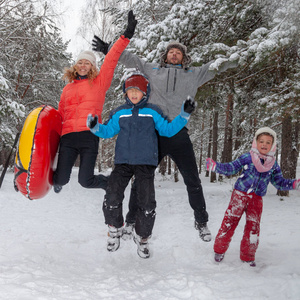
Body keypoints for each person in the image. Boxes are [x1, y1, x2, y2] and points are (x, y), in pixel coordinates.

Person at [92, 33, 239, 242]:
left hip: (179, 134)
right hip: (154, 136)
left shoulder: (193, 74)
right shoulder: (154, 70)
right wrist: (109, 49)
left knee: (193, 180)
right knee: (140, 180)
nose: (174, 54)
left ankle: (201, 221)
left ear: (183, 57)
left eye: (178, 52)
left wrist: (239, 56)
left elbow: (215, 67)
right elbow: (131, 60)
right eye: (171, 51)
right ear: (166, 55)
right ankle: (131, 220)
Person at [86, 72, 196, 258]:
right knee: (112, 195)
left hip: (145, 163)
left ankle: (142, 238)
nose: (134, 94)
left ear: (145, 92)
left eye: (138, 90)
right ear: (125, 93)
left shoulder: (153, 111)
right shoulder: (120, 113)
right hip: (123, 162)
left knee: (147, 203)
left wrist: (184, 114)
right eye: (130, 90)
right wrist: (95, 126)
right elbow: (107, 131)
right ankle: (114, 230)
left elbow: (168, 130)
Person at [52, 11, 137, 193]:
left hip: (88, 135)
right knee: (60, 179)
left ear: (92, 67)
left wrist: (126, 36)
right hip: (67, 137)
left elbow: (111, 59)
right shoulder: (67, 88)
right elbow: (60, 115)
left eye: (87, 63)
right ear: (76, 65)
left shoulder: (99, 83)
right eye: (80, 62)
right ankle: (32, 177)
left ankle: (111, 183)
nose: (83, 65)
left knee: (86, 180)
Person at [206, 127, 300, 267]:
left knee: (253, 228)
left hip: (256, 199)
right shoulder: (248, 157)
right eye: (261, 141)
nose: (264, 144)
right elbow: (231, 167)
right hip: (240, 195)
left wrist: (294, 184)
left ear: (273, 145)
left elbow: (279, 182)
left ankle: (248, 256)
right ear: (256, 142)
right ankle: (219, 250)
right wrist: (216, 166)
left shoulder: (273, 164)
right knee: (229, 222)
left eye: (268, 142)